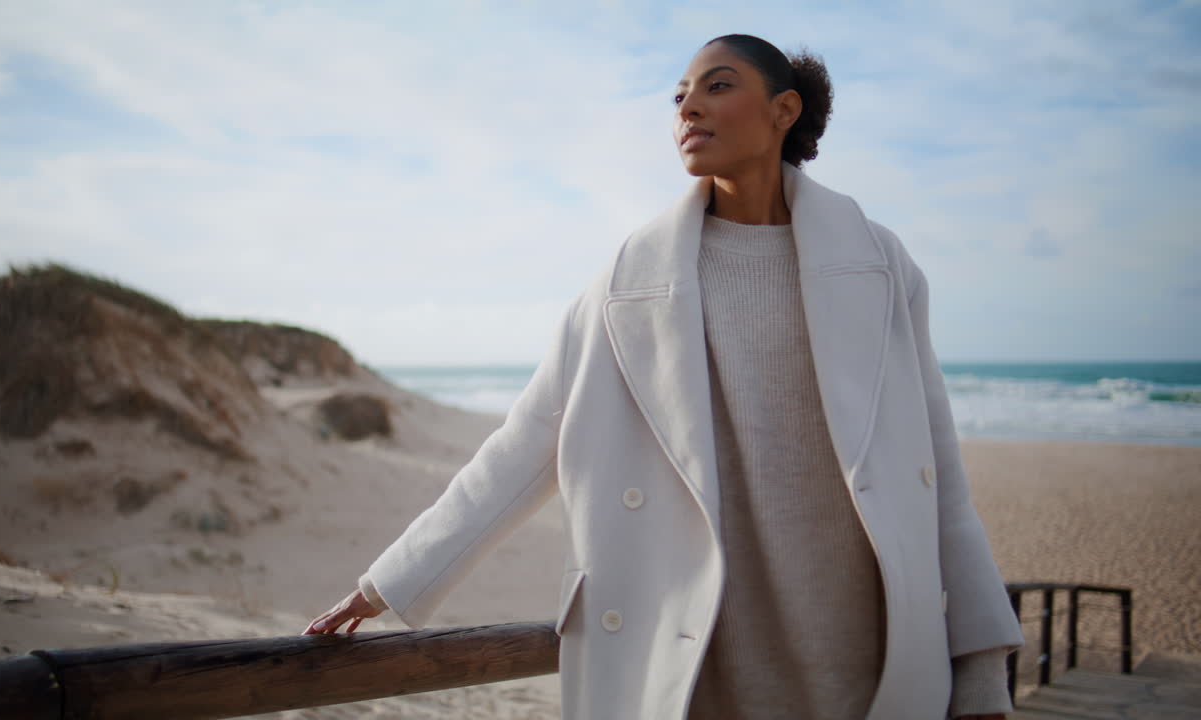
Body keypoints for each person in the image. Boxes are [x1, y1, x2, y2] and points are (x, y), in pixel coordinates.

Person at [304, 33, 1024, 720]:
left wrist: (983, 672)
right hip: (690, 659)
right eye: (679, 96)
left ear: (785, 110)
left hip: (860, 664)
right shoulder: (628, 280)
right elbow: (524, 446)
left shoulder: (878, 264)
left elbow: (938, 478)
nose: (688, 107)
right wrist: (386, 583)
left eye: (718, 86)